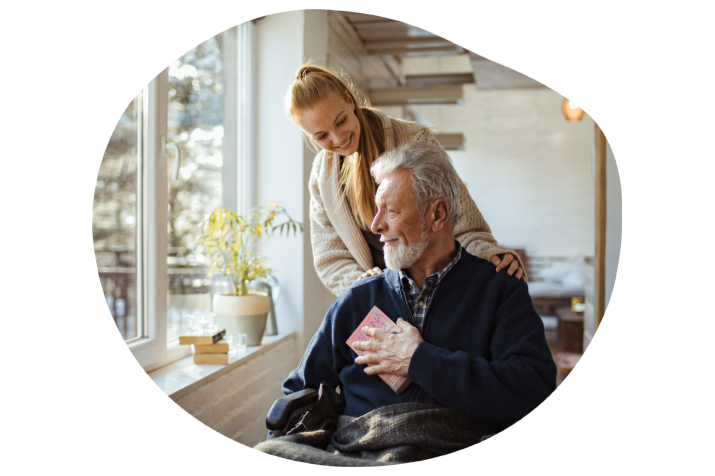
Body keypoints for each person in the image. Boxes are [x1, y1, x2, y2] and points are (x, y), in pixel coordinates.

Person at [280, 141, 556, 426]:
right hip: (359, 450)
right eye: (377, 210)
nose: (375, 226)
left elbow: (534, 389)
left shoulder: (500, 291)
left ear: (437, 215)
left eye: (391, 211)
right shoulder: (359, 298)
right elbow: (299, 390)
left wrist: (419, 360)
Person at [286, 65, 527, 296]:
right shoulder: (322, 175)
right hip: (377, 300)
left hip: (438, 288)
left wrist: (490, 254)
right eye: (321, 136)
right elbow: (331, 258)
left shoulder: (415, 139)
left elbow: (461, 219)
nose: (338, 138)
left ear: (350, 100)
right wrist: (362, 286)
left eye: (340, 121)